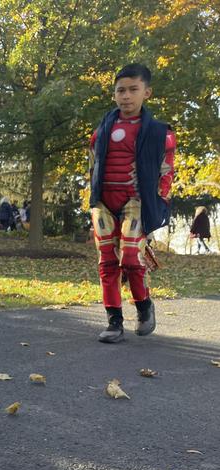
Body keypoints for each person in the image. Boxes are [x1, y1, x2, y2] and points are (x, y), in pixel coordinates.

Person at [89, 63, 175, 343]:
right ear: (114, 94)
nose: (126, 96)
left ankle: (144, 306)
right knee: (107, 262)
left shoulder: (161, 133)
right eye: (120, 90)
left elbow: (166, 170)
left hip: (135, 201)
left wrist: (160, 202)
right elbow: (94, 162)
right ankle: (114, 322)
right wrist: (93, 194)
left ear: (146, 92)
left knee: (130, 258)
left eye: (133, 90)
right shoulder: (102, 128)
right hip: (103, 201)